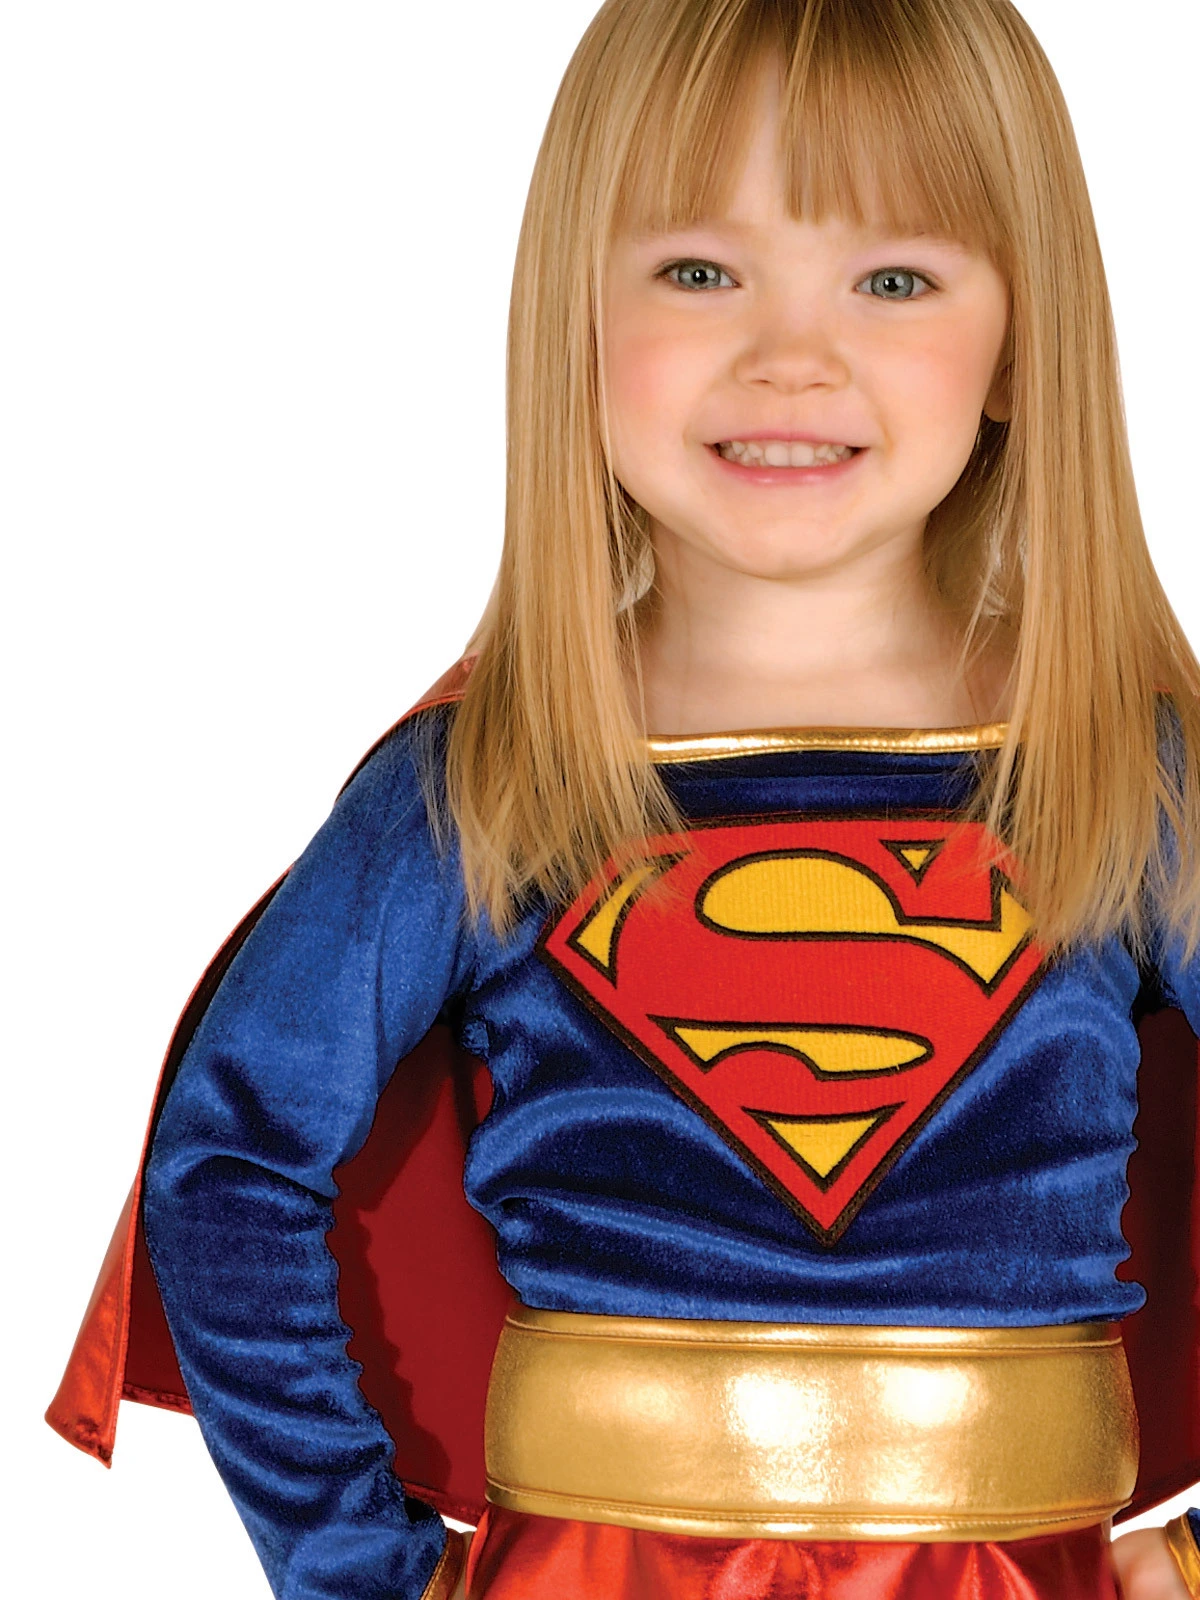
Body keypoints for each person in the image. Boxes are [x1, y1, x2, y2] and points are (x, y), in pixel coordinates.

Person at [46, 1, 1200, 1596]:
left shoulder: (1131, 781)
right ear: (575, 319)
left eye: (893, 280)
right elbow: (230, 1166)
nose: (791, 354)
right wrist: (364, 1572)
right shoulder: (482, 786)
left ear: (1021, 345)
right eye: (701, 271)